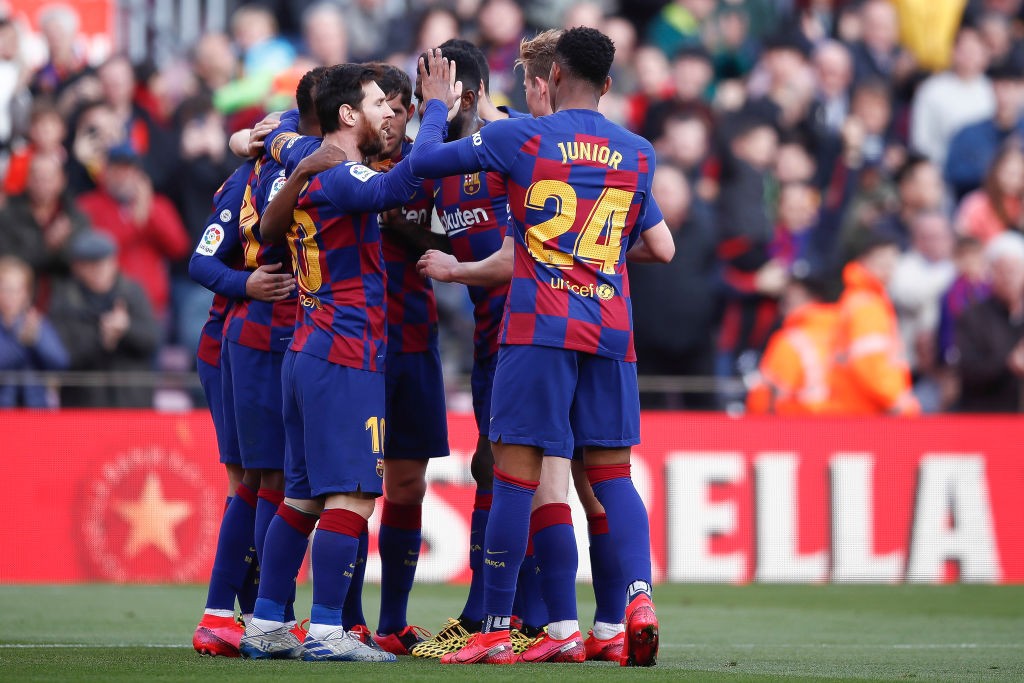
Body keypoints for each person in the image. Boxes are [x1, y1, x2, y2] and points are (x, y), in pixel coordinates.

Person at [413, 30, 674, 667]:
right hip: (611, 328)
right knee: (613, 477)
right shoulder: (637, 152)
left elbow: (422, 164)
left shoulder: (520, 137)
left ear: (551, 76)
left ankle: (498, 628)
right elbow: (659, 245)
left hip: (539, 328)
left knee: (514, 479)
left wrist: (434, 107)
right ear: (609, 84)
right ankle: (634, 603)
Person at [238, 62, 449, 663]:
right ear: (349, 115)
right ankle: (329, 630)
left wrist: (275, 148)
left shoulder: (305, 155)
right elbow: (403, 185)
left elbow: (279, 140)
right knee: (354, 495)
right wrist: (433, 110)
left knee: (301, 501)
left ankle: (266, 623)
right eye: (381, 102)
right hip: (345, 355)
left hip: (307, 350)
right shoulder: (343, 176)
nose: (390, 111)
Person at [76, 144, 191, 322]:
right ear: (105, 173)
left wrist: (149, 211)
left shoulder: (158, 205)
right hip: (106, 308)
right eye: (117, 170)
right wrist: (136, 223)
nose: (123, 177)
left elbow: (179, 247)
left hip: (155, 309)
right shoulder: (88, 206)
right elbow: (103, 248)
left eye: (129, 171)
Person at [48, 231, 160, 408]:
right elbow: (63, 355)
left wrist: (126, 329)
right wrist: (102, 340)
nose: (98, 271)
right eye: (90, 265)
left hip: (132, 403)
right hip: (83, 405)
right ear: (77, 268)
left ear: (114, 263)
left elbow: (152, 339)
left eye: (102, 263)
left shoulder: (132, 292)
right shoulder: (65, 299)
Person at [826, 232, 919, 416]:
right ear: (864, 261)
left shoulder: (863, 298)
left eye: (892, 261)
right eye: (882, 261)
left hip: (855, 404)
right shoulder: (867, 304)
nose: (888, 268)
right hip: (865, 409)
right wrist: (897, 401)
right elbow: (869, 362)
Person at [745, 270, 838, 415]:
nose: (783, 303)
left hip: (796, 428)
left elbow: (761, 399)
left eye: (788, 296)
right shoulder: (846, 332)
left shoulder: (789, 340)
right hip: (848, 428)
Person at [954, 232, 1024, 412]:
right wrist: (1008, 364)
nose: (1009, 278)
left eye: (1014, 270)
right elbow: (967, 370)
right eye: (1002, 271)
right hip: (987, 416)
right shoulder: (973, 316)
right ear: (990, 273)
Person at [0, 256, 68, 408]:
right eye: (6, 289)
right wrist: (21, 343)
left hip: (35, 411)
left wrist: (37, 340)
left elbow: (60, 363)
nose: (11, 296)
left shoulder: (37, 324)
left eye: (17, 289)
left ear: (26, 293)